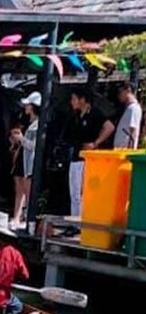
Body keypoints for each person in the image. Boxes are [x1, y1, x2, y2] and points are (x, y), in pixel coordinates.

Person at [67, 88, 115, 218]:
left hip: (86, 158)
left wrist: (95, 143)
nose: (72, 102)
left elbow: (109, 127)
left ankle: (81, 220)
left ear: (82, 100)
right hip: (75, 156)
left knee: (82, 192)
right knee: (74, 192)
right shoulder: (76, 115)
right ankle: (74, 220)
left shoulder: (94, 113)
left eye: (74, 99)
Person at [10, 92, 40, 229]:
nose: (25, 106)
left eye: (28, 104)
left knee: (28, 190)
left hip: (29, 160)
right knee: (19, 189)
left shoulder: (38, 124)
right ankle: (16, 216)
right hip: (22, 157)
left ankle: (28, 219)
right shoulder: (27, 122)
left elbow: (34, 146)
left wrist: (21, 139)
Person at [114, 82, 142, 149]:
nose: (119, 95)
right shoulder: (129, 108)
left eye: (120, 92)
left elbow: (133, 130)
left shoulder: (133, 108)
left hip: (125, 151)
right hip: (120, 150)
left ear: (128, 90)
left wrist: (131, 151)